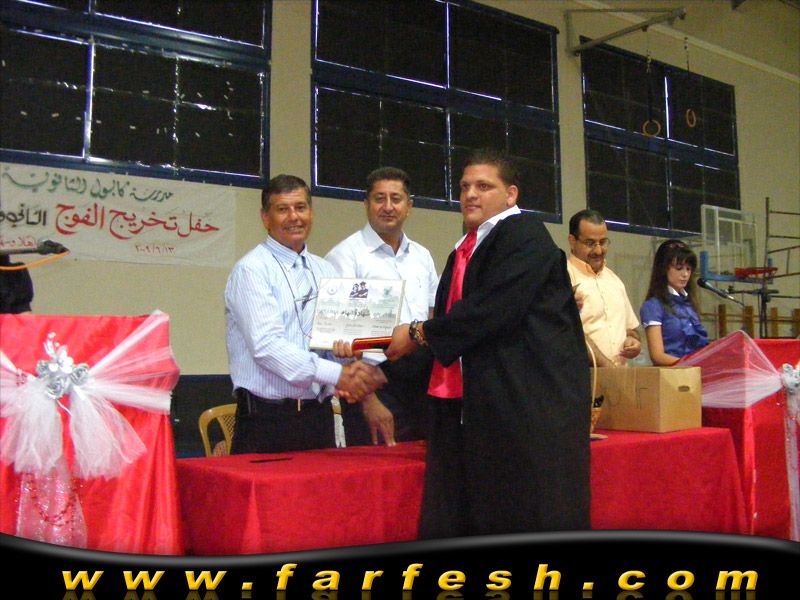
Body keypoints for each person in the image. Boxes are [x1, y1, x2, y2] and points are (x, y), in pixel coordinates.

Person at [385, 148, 591, 539]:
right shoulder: (468, 246)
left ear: (511, 194)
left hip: (531, 407)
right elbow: (458, 325)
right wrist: (382, 370)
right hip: (486, 405)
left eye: (484, 186)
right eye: (465, 186)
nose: (470, 194)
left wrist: (417, 333)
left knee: (525, 509)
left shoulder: (524, 235)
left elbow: (490, 310)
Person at [224, 174, 386, 454]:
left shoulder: (325, 271)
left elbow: (333, 346)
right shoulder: (251, 271)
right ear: (265, 218)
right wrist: (339, 374)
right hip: (267, 421)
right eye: (282, 209)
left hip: (318, 417)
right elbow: (267, 347)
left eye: (300, 207)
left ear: (311, 213)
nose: (294, 217)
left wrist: (352, 357)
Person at [325, 166, 439, 446]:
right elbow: (339, 339)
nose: (388, 207)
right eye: (379, 198)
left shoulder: (422, 256)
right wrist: (369, 401)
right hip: (374, 382)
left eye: (396, 199)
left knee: (425, 466)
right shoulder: (345, 256)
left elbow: (433, 315)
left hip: (423, 381)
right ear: (366, 204)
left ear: (409, 206)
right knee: (378, 467)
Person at [566, 209, 641, 367]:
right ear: (572, 241)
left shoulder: (614, 280)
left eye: (603, 242)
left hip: (620, 375)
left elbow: (631, 329)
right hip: (583, 376)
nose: (598, 250)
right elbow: (569, 332)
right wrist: (608, 367)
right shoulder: (563, 278)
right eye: (590, 243)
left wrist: (632, 341)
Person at [640, 239, 709, 365]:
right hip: (672, 373)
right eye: (679, 268)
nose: (685, 274)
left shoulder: (689, 303)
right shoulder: (653, 306)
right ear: (664, 269)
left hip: (697, 371)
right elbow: (657, 356)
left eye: (688, 269)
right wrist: (692, 364)